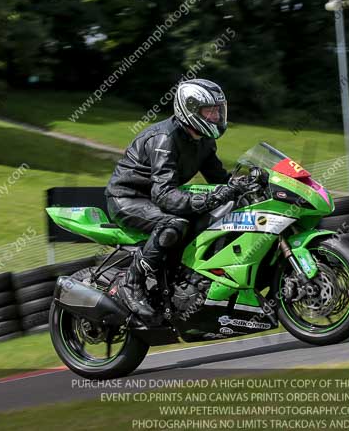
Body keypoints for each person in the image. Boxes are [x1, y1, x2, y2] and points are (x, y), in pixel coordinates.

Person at [104, 78, 244, 323]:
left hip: (156, 198)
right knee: (174, 224)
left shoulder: (204, 139)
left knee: (222, 211)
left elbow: (219, 178)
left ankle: (185, 280)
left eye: (218, 110)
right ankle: (131, 283)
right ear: (190, 109)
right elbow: (164, 194)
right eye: (209, 111)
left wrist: (243, 183)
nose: (215, 116)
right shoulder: (164, 139)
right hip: (128, 198)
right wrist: (204, 199)